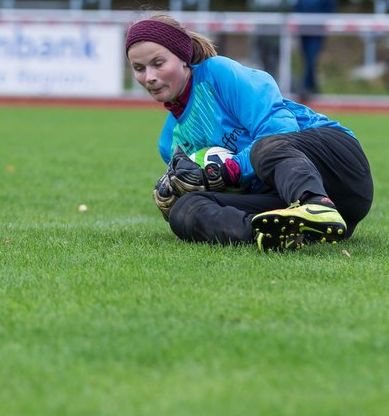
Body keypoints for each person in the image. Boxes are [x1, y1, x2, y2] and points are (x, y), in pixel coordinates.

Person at [126, 14, 373, 252]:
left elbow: (281, 129)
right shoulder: (170, 143)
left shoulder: (217, 73)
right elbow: (224, 191)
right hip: (286, 195)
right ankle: (265, 233)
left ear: (182, 56)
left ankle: (316, 204)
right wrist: (180, 192)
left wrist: (230, 170)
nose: (149, 77)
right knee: (185, 211)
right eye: (139, 68)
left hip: (340, 167)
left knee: (265, 147)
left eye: (158, 63)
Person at [292, 0, 336, 99]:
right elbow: (297, 7)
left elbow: (330, 8)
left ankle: (304, 87)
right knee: (306, 59)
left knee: (311, 58)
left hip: (317, 30)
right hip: (304, 30)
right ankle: (313, 87)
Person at [246, 0, 285, 76]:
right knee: (258, 58)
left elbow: (281, 6)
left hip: (273, 32)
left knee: (272, 59)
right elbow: (252, 5)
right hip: (259, 29)